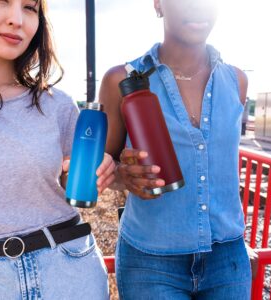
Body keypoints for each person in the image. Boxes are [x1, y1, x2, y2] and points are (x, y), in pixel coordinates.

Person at [99, 0, 251, 299]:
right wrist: (122, 175)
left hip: (228, 259)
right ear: (158, 4)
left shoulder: (237, 81)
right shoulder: (121, 80)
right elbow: (101, 169)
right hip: (150, 262)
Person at [0, 0, 115, 299]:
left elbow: (69, 184)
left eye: (29, 8)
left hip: (68, 270)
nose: (17, 19)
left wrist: (97, 170)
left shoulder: (57, 104)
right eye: (3, 1)